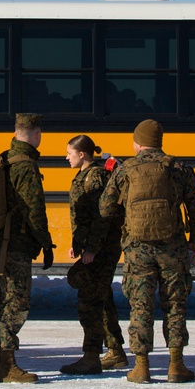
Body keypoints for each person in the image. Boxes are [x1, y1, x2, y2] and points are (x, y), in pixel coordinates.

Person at [99, 119, 195, 383]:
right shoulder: (179, 168)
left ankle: (141, 367)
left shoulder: (126, 169)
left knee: (141, 305)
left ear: (137, 143)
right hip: (173, 247)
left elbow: (104, 208)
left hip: (138, 248)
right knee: (175, 305)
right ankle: (176, 366)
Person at [0, 113, 52, 383]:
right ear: (37, 134)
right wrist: (45, 243)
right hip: (16, 246)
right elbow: (35, 210)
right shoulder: (26, 167)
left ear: (15, 133)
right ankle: (7, 364)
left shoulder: (3, 160)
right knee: (17, 303)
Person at [60, 134, 127, 375]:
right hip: (95, 247)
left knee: (89, 300)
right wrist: (78, 244)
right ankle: (116, 351)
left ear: (82, 154)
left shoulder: (95, 177)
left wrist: (92, 250)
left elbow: (102, 217)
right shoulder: (85, 176)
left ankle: (91, 356)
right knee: (103, 296)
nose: (66, 157)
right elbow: (84, 218)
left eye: (70, 152)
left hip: (101, 249)